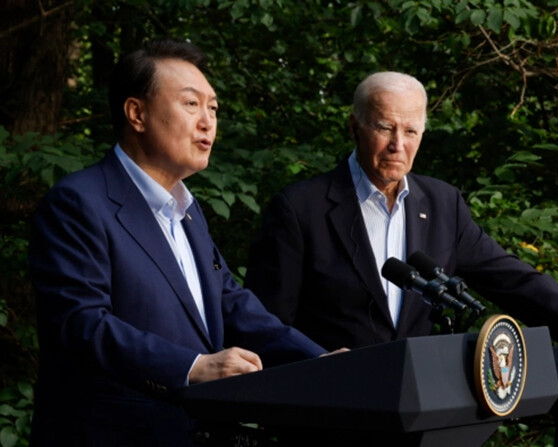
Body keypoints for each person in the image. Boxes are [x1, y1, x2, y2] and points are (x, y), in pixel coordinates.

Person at [28, 39, 338, 447]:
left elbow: (231, 303)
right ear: (136, 113)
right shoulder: (78, 202)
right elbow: (81, 323)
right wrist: (192, 366)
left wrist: (321, 362)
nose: (208, 121)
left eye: (213, 108)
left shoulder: (189, 213)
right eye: (191, 104)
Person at [244, 71, 558, 351]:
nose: (397, 145)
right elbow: (265, 322)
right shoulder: (299, 208)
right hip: (331, 409)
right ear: (354, 127)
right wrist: (313, 364)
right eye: (385, 128)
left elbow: (518, 284)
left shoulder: (442, 204)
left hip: (416, 409)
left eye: (411, 131)